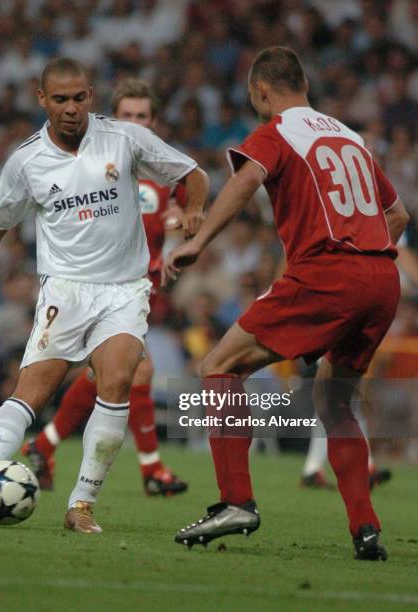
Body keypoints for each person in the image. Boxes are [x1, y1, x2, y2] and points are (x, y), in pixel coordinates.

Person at [0, 58, 209, 533]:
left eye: (79, 98)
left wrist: (194, 211)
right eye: (60, 100)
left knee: (116, 385)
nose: (71, 109)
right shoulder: (26, 161)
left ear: (90, 96)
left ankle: (81, 505)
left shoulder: (125, 138)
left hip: (124, 291)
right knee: (29, 394)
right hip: (65, 291)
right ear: (42, 100)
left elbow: (193, 173)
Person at [163, 46, 409, 560]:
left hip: (327, 273)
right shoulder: (349, 136)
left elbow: (247, 180)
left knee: (219, 366)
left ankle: (236, 502)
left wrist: (198, 240)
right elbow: (399, 215)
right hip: (381, 278)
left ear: (262, 90)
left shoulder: (277, 132)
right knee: (334, 403)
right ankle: (366, 529)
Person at [22, 78, 193, 496]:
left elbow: (182, 222)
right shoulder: (91, 163)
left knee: (109, 375)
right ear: (114, 118)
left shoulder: (165, 175)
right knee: (134, 371)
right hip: (87, 286)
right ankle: (151, 467)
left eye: (142, 116)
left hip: (137, 289)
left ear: (153, 122)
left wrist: (177, 238)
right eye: (127, 116)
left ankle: (44, 444)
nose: (135, 122)